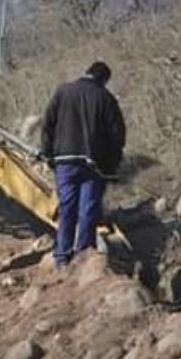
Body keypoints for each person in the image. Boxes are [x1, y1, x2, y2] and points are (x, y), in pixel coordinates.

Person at [40, 61, 126, 269]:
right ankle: (83, 253)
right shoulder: (105, 98)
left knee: (67, 208)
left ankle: (61, 256)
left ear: (86, 73)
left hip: (64, 161)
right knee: (88, 208)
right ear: (103, 79)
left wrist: (48, 153)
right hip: (93, 163)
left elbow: (48, 124)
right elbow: (117, 135)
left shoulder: (63, 92)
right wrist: (111, 165)